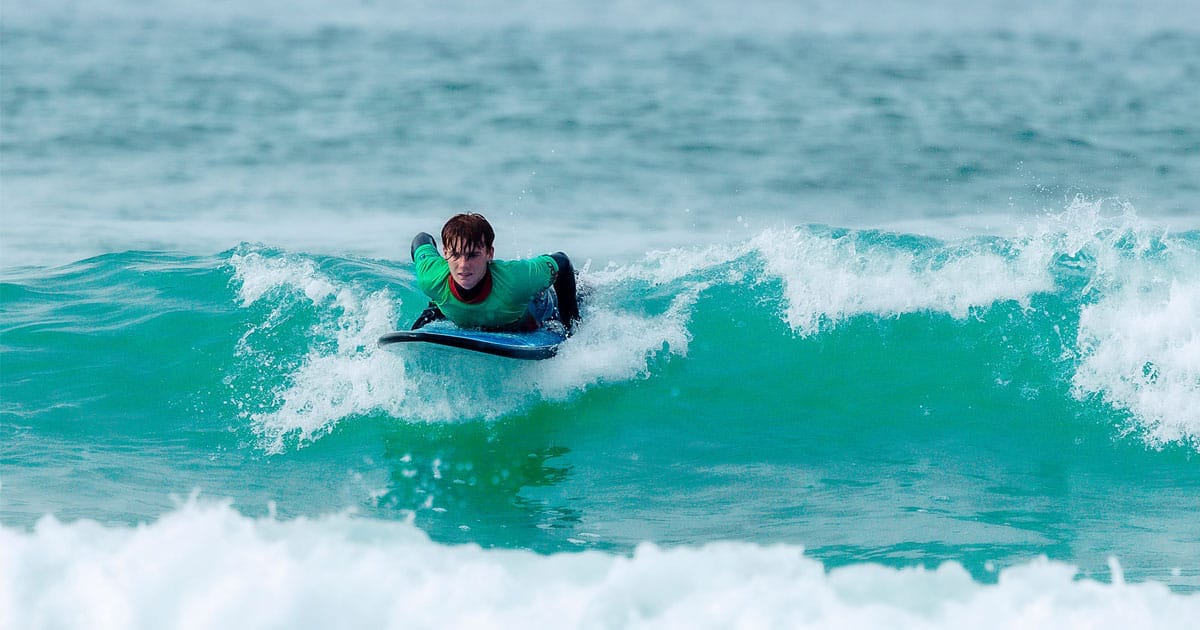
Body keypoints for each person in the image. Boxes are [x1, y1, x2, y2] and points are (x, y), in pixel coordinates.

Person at [410, 213, 579, 333]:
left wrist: (570, 327)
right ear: (445, 252)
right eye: (455, 255)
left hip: (532, 306)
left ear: (489, 253)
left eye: (473, 255)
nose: (463, 265)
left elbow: (562, 262)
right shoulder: (431, 277)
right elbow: (421, 239)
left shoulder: (517, 280)